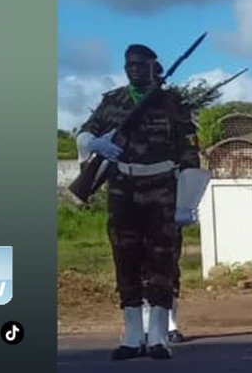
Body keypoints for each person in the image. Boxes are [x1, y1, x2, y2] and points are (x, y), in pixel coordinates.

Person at [76, 44, 204, 360]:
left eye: (140, 64)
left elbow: (189, 155)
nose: (133, 69)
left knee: (162, 260)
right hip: (123, 188)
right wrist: (95, 143)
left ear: (153, 67)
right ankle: (133, 335)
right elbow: (84, 133)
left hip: (162, 188)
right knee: (126, 257)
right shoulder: (113, 101)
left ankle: (159, 336)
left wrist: (186, 202)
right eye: (129, 64)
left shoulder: (172, 103)